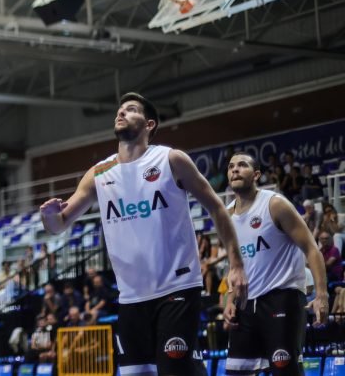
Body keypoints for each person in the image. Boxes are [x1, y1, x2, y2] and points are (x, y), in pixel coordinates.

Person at [39, 92, 247, 376]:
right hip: (131, 297)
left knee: (178, 371)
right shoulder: (100, 173)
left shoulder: (170, 160)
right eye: (120, 110)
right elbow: (58, 225)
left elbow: (218, 209)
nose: (121, 113)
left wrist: (236, 265)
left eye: (131, 110)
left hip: (177, 288)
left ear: (149, 124)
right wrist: (48, 217)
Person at [225, 153, 328, 376]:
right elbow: (235, 266)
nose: (235, 170)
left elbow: (311, 248)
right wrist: (230, 299)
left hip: (281, 299)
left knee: (286, 371)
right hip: (245, 305)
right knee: (236, 372)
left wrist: (321, 295)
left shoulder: (275, 205)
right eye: (231, 166)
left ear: (256, 175)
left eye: (242, 165)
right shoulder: (227, 216)